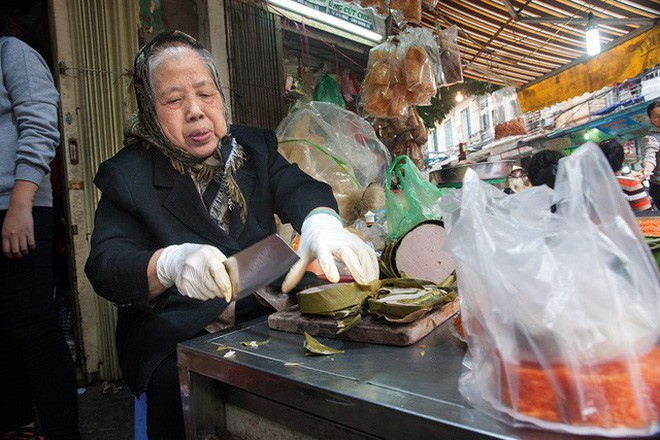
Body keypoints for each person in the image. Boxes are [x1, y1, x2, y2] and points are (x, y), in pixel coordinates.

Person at [84, 30, 379, 438]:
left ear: (220, 95)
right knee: (180, 401)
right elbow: (105, 264)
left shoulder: (251, 148)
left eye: (205, 93)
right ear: (150, 111)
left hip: (266, 308)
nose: (195, 111)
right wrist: (167, 264)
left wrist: (320, 222)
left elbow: (298, 187)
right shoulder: (129, 175)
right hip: (182, 333)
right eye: (173, 100)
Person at [0, 35, 80, 439]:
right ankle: (20, 426)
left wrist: (20, 206)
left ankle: (64, 431)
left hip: (18, 206)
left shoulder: (10, 52)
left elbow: (39, 125)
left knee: (34, 329)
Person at [598, 139, 652, 212]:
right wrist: (630, 182)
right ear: (624, 159)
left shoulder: (589, 184)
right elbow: (647, 215)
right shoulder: (630, 184)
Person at [640, 100, 660, 207]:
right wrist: (647, 170)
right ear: (651, 119)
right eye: (656, 116)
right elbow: (649, 157)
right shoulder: (651, 138)